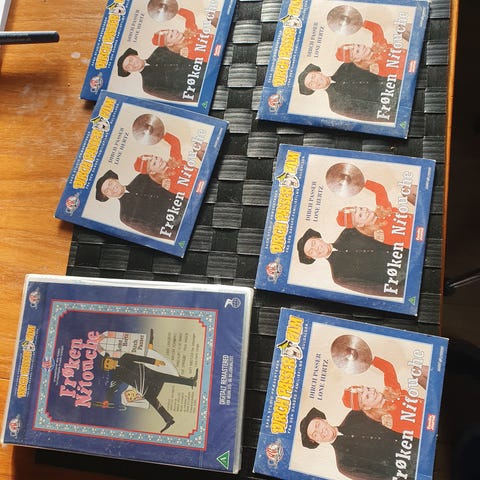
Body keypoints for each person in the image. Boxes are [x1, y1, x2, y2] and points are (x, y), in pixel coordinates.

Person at [299, 407, 419, 479]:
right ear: (316, 442)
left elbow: (391, 412)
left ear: (323, 419)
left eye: (318, 425)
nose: (320, 431)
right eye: (315, 434)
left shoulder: (355, 414)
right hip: (414, 472)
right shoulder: (344, 465)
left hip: (417, 440)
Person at [296, 227, 409, 297]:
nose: (316, 249)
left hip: (407, 252)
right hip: (403, 280)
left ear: (319, 238)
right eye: (311, 251)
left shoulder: (348, 233)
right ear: (313, 258)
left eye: (314, 243)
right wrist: (406, 291)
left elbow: (383, 232)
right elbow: (374, 289)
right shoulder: (339, 276)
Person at [102, 352, 198, 433]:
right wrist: (107, 400)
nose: (109, 364)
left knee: (169, 378)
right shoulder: (116, 375)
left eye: (108, 361)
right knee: (154, 402)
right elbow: (112, 388)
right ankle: (168, 420)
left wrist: (154, 361)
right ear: (108, 369)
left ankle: (191, 382)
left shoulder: (125, 357)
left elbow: (140, 358)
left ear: (110, 358)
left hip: (150, 375)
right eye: (107, 366)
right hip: (143, 387)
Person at [341, 356, 425, 439]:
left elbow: (388, 368)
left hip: (430, 405)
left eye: (368, 389)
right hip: (429, 424)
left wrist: (367, 358)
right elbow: (420, 432)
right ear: (367, 407)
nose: (372, 390)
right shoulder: (387, 420)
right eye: (367, 396)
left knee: (419, 370)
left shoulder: (390, 391)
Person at [297, 62, 402, 122]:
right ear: (313, 90)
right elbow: (371, 115)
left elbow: (381, 67)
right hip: (396, 106)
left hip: (399, 83)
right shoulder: (335, 104)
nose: (315, 81)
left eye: (313, 76)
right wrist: (399, 115)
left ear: (318, 71)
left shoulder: (347, 66)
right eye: (311, 84)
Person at [95, 169, 186, 239]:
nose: (111, 188)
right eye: (107, 190)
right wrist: (182, 235)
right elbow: (155, 231)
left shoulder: (142, 178)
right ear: (107, 196)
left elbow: (172, 180)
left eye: (110, 183)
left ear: (116, 179)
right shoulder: (125, 215)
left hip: (187, 202)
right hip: (180, 225)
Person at [336, 179, 414, 249]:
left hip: (418, 220)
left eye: (361, 208)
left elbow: (379, 189)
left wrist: (359, 181)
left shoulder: (382, 209)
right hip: (417, 238)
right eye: (360, 215)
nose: (365, 210)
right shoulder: (378, 235)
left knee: (409, 189)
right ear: (360, 225)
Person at [116, 46, 206, 102]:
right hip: (202, 87)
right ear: (129, 72)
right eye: (128, 67)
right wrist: (204, 97)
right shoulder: (148, 86)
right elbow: (178, 97)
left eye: (130, 60)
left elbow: (189, 49)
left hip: (206, 67)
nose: (132, 64)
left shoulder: (160, 50)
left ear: (135, 55)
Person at [133, 132, 199, 198]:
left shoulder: (174, 160)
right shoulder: (166, 184)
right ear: (152, 172)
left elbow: (175, 142)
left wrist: (160, 133)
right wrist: (167, 190)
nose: (159, 160)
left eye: (156, 157)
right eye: (154, 163)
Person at [335, 20, 407, 79]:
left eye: (358, 45)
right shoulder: (374, 67)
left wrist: (359, 22)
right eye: (357, 51)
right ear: (357, 59)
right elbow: (399, 74)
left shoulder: (378, 45)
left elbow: (376, 28)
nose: (362, 47)